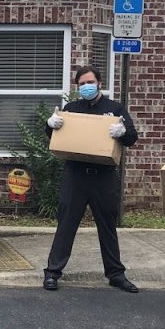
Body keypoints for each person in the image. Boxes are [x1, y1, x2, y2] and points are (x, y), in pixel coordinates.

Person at [43, 65, 139, 293]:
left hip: (103, 177)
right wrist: (50, 125)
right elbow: (57, 136)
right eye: (82, 84)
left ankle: (116, 274)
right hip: (75, 175)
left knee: (107, 226)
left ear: (99, 83)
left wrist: (123, 132)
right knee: (66, 224)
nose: (86, 86)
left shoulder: (115, 109)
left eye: (90, 82)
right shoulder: (71, 108)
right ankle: (52, 273)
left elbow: (132, 138)